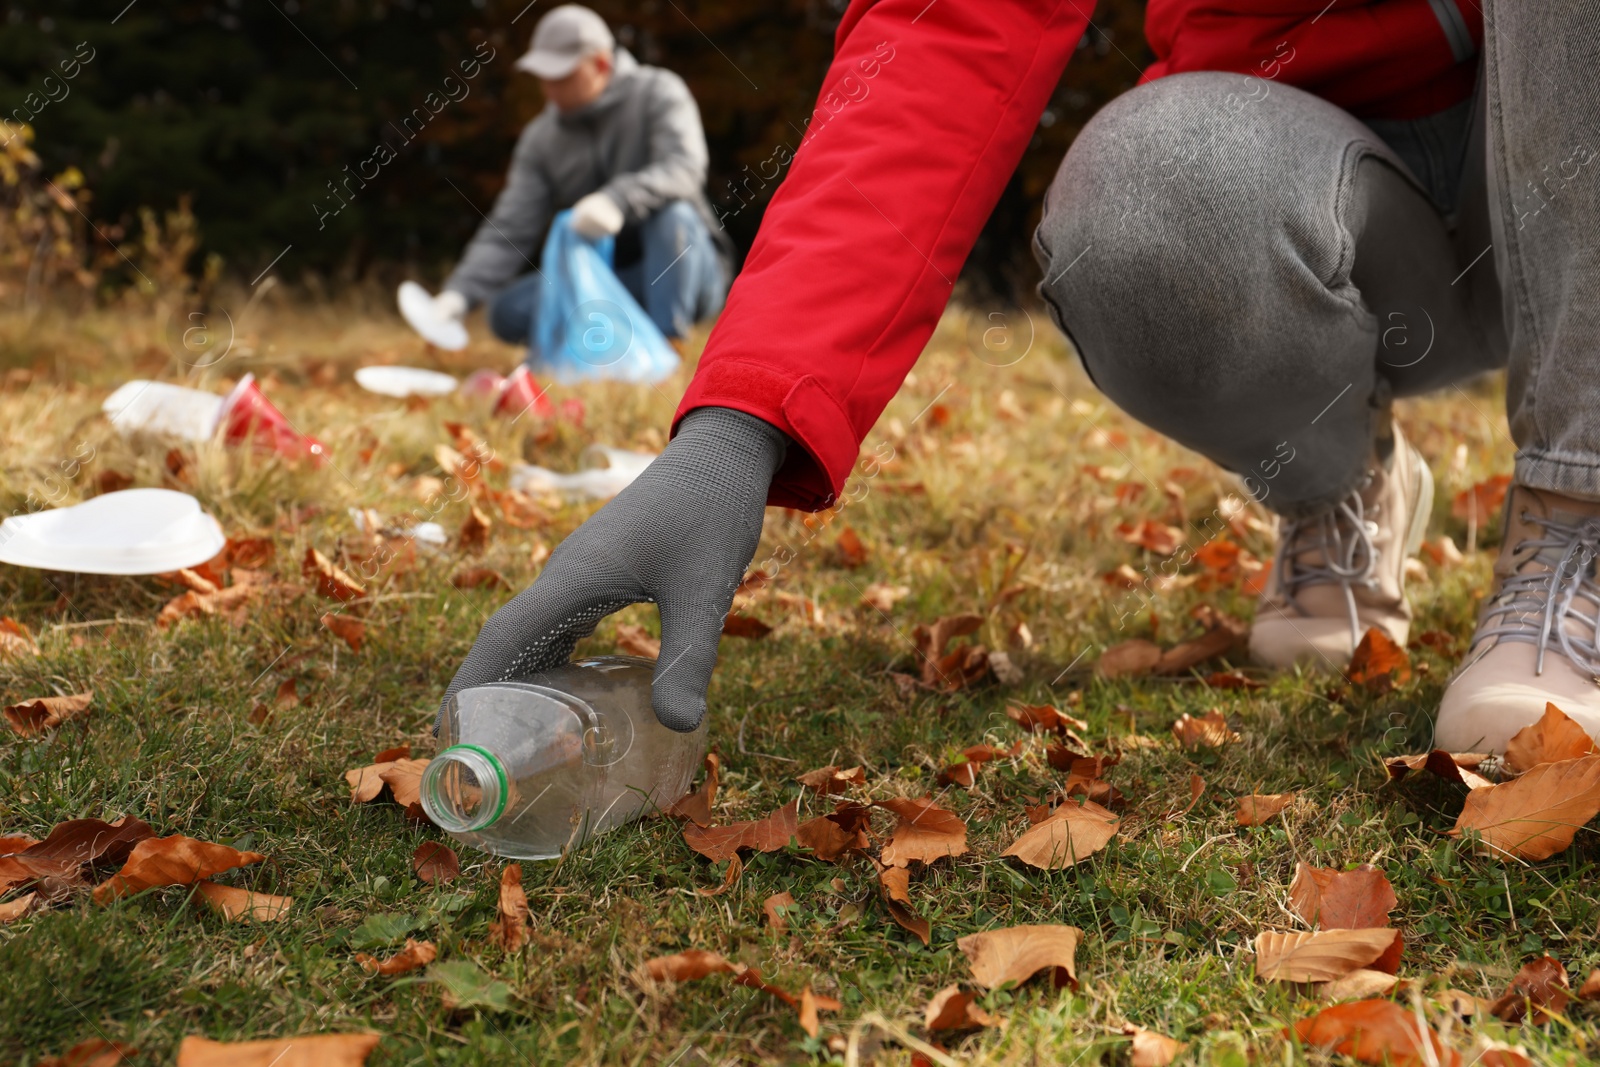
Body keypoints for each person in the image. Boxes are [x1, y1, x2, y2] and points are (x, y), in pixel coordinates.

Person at [439, 1, 1600, 757]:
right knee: (1147, 198)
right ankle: (1337, 486)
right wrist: (736, 426)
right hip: (1329, 191)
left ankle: (1580, 517)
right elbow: (947, 29)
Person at [425, 4, 729, 353]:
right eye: (545, 77)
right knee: (507, 311)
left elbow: (683, 168)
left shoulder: (659, 93)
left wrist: (616, 199)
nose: (550, 89)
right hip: (607, 281)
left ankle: (667, 346)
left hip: (685, 269)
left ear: (601, 63)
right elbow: (511, 227)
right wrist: (459, 294)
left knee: (674, 215)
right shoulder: (540, 139)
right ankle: (610, 337)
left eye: (563, 76)